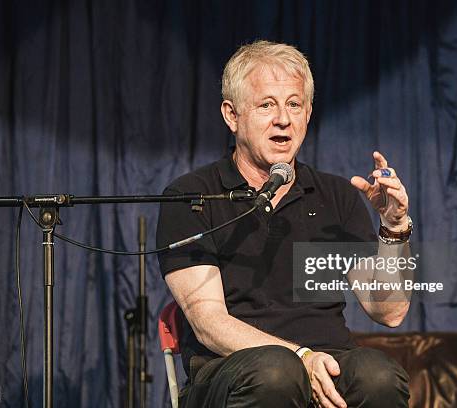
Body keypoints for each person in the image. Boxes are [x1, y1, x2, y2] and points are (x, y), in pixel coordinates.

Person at [157, 40, 411, 408]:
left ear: (308, 113)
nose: (283, 119)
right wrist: (300, 357)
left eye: (294, 104)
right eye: (267, 105)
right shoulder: (193, 195)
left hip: (327, 360)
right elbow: (207, 322)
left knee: (379, 376)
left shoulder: (337, 196)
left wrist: (394, 226)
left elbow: (389, 311)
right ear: (232, 115)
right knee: (276, 372)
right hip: (231, 369)